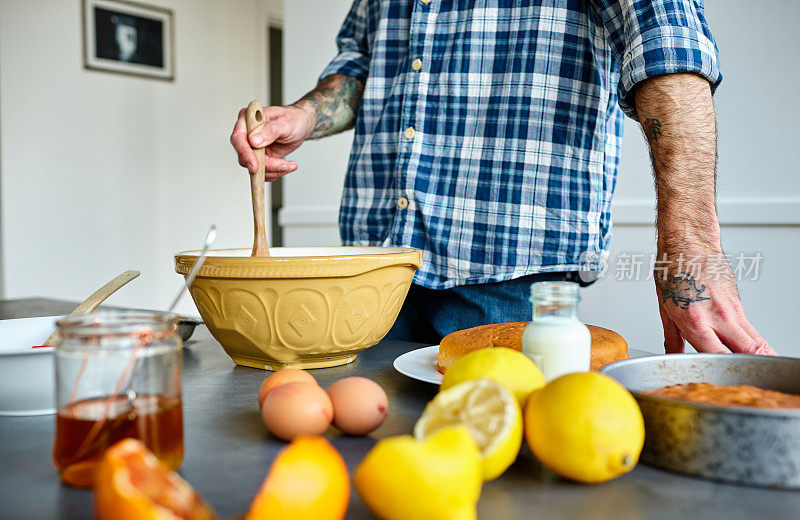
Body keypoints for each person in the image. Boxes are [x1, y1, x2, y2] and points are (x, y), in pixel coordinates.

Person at [231, 0, 775, 355]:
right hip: (376, 272)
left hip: (511, 279)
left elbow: (669, 46)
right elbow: (358, 64)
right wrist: (304, 114)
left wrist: (693, 248)